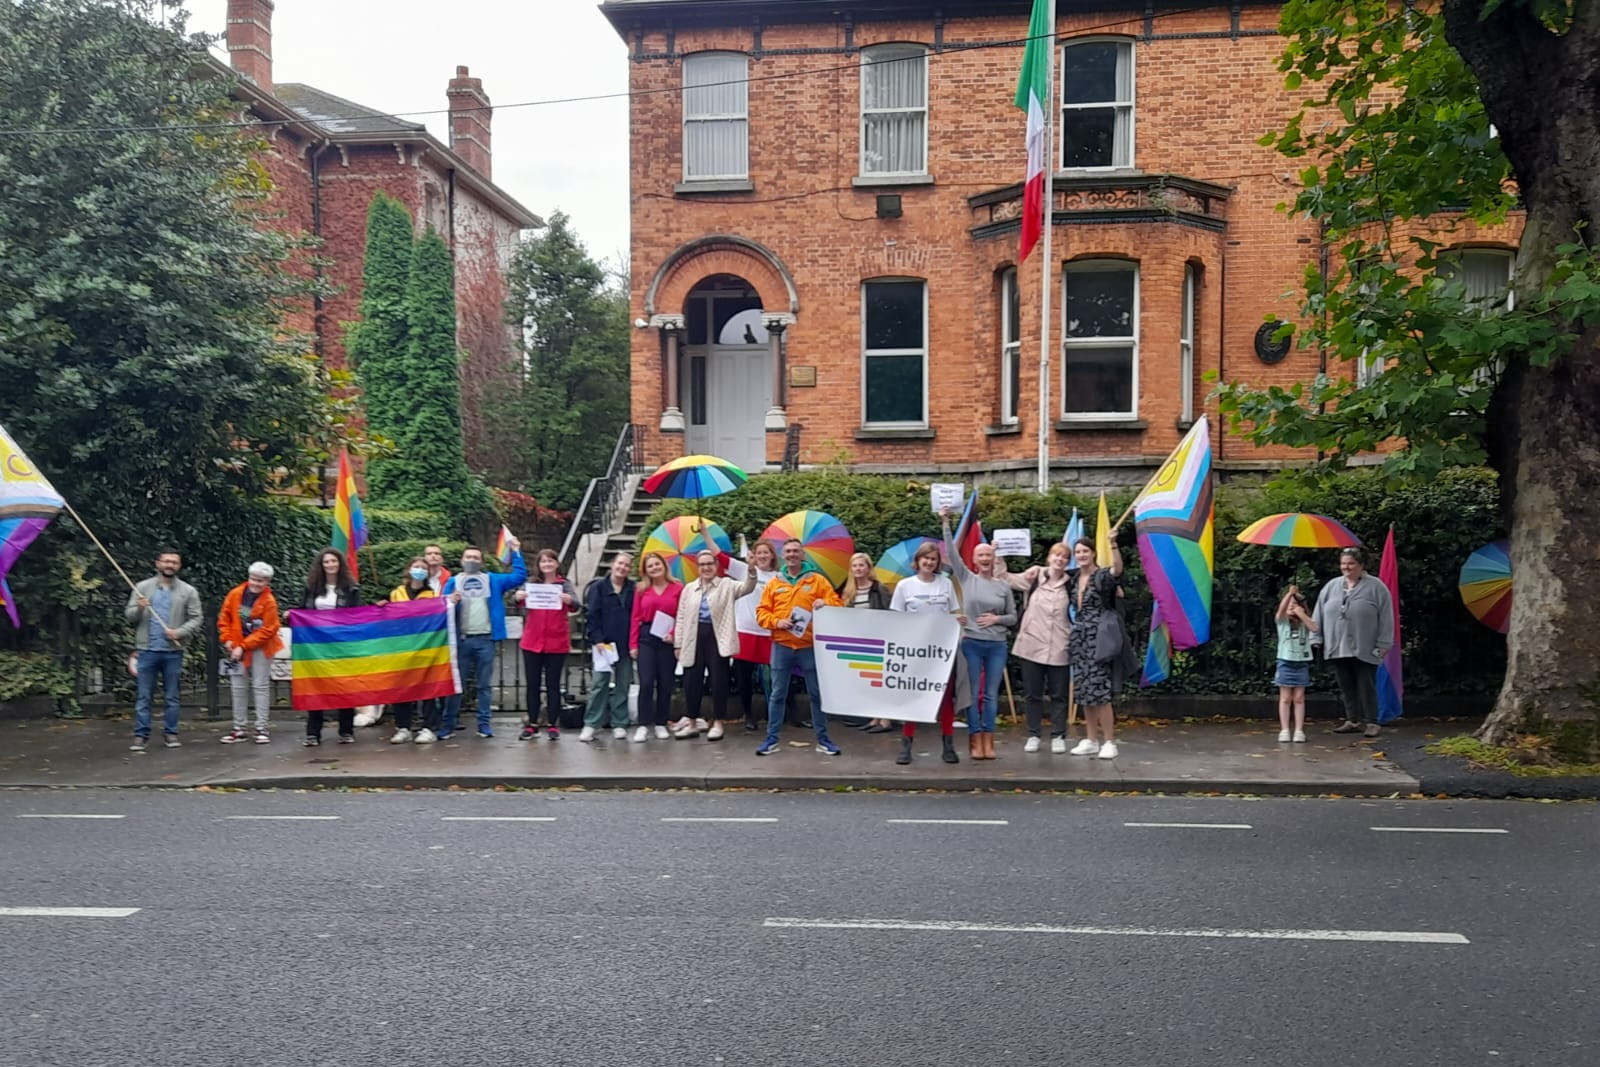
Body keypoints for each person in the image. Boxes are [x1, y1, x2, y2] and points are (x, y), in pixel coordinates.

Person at [755, 538, 843, 756]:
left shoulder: (817, 580)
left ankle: (823, 740)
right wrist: (777, 622)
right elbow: (762, 613)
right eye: (788, 551)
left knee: (816, 694)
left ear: (803, 555)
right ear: (782, 556)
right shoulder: (774, 583)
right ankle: (771, 739)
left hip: (809, 646)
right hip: (782, 645)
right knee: (777, 694)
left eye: (796, 551)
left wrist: (826, 604)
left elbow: (838, 605)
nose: (792, 554)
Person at [941, 511, 1018, 761]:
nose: (985, 558)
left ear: (994, 559)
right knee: (973, 694)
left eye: (988, 555)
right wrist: (945, 522)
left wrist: (997, 619)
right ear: (974, 559)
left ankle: (989, 738)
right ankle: (975, 739)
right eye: (981, 555)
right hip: (972, 643)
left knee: (991, 695)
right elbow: (952, 552)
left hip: (997, 645)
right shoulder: (967, 578)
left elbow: (1013, 617)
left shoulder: (1003, 586)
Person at [442, 540, 527, 739]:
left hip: (485, 639)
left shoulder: (493, 580)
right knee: (456, 685)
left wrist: (516, 552)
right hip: (461, 640)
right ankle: (448, 724)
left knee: (484, 685)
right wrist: (449, 601)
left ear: (482, 562)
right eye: (468, 557)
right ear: (462, 561)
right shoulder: (453, 582)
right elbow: (441, 608)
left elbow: (519, 576)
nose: (472, 560)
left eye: (476, 558)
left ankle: (484, 724)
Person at [888, 541, 962, 765]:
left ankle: (948, 744)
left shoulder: (946, 584)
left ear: (937, 562)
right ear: (918, 561)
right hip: (914, 651)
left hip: (941, 652)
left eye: (933, 559)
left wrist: (959, 622)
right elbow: (896, 618)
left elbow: (955, 612)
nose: (929, 562)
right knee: (913, 697)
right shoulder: (905, 586)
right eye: (925, 558)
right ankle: (907, 745)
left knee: (946, 697)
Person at [124, 548, 203, 751]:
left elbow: (196, 618)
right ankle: (141, 735)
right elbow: (130, 616)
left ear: (179, 566)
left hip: (172, 652)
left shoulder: (188, 591)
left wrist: (179, 632)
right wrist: (140, 607)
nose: (170, 565)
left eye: (174, 562)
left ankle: (171, 733)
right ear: (157, 563)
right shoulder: (142, 587)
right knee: (144, 695)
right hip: (147, 649)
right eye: (166, 561)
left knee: (172, 695)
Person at [1311, 547, 1395, 739]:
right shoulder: (1331, 586)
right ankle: (1352, 720)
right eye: (1343, 563)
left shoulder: (1376, 587)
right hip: (1337, 645)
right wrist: (1316, 637)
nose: (1346, 567)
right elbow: (1319, 612)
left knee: (1367, 685)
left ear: (1361, 565)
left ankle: (1372, 722)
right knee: (1346, 685)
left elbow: (1386, 617)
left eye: (1350, 563)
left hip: (1365, 646)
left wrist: (1384, 643)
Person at [672, 550, 755, 740]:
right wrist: (678, 643)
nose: (706, 568)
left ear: (716, 566)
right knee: (692, 680)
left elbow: (747, 588)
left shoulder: (726, 585)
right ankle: (692, 722)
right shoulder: (689, 588)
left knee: (719, 681)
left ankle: (718, 721)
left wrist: (751, 569)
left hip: (718, 637)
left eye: (710, 563)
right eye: (702, 564)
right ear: (697, 567)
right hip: (693, 637)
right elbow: (681, 616)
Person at [1003, 542, 1073, 754]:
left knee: (1059, 695)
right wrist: (998, 554)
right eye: (1056, 555)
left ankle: (1058, 735)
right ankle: (1033, 734)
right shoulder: (1033, 578)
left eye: (1064, 557)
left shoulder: (1072, 583)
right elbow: (1005, 577)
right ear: (1049, 558)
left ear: (1068, 562)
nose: (1059, 560)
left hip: (1060, 646)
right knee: (1033, 694)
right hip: (1031, 645)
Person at [1067, 535, 1126, 760]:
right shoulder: (1073, 579)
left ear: (1093, 553)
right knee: (1084, 691)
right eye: (1078, 552)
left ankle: (1110, 741)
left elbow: (1117, 569)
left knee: (1100, 691)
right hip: (1079, 637)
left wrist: (1113, 544)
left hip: (1098, 637)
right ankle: (1091, 739)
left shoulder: (1101, 576)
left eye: (1085, 551)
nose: (1081, 555)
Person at [515, 549, 579, 740]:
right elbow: (517, 600)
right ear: (539, 565)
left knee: (553, 685)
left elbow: (576, 604)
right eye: (544, 561)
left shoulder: (564, 585)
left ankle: (553, 724)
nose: (547, 564)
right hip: (532, 641)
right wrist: (518, 596)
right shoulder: (532, 583)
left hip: (555, 641)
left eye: (551, 561)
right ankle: (532, 724)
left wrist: (569, 600)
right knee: (532, 685)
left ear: (556, 564)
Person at [301, 547, 362, 746]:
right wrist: (292, 615)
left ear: (340, 564)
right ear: (321, 565)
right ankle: (313, 733)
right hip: (316, 646)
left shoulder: (351, 588)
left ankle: (346, 730)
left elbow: (357, 615)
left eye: (333, 561)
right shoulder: (311, 587)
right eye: (326, 562)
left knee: (344, 686)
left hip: (341, 645)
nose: (330, 565)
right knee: (315, 686)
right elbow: (303, 610)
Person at [217, 561, 282, 745]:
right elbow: (224, 618)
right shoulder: (235, 594)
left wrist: (243, 646)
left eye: (260, 581)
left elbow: (268, 630)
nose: (256, 583)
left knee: (260, 686)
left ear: (267, 582)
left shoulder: (269, 601)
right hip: (236, 645)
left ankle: (262, 728)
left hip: (261, 647)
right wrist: (227, 639)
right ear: (249, 577)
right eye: (254, 579)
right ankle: (239, 728)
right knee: (237, 686)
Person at [837, 551, 894, 733]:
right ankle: (874, 718)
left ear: (869, 568)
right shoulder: (848, 591)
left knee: (882, 681)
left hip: (879, 639)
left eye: (861, 565)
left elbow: (890, 613)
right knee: (870, 681)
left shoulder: (879, 589)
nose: (858, 569)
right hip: (860, 643)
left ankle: (885, 719)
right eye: (854, 566)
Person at [581, 552, 635, 742]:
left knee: (623, 684)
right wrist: (597, 640)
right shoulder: (598, 587)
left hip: (625, 644)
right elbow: (592, 615)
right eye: (620, 563)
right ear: (613, 564)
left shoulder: (633, 588)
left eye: (627, 565)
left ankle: (619, 723)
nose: (623, 568)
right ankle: (591, 723)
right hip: (603, 644)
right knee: (599, 684)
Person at [388, 556, 443, 744]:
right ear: (409, 570)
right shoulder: (397, 593)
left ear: (428, 573)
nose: (419, 570)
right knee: (402, 688)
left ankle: (428, 728)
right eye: (416, 566)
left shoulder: (432, 595)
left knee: (427, 689)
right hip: (402, 647)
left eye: (423, 567)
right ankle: (403, 727)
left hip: (425, 647)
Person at [630, 551, 683, 742]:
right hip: (646, 637)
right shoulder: (641, 589)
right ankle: (643, 724)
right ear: (645, 570)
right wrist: (633, 644)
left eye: (657, 564)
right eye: (650, 566)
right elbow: (635, 617)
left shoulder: (677, 587)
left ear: (664, 566)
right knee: (645, 682)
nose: (654, 568)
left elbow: (682, 615)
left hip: (667, 639)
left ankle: (661, 723)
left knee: (665, 682)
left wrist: (675, 635)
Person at [732, 539, 780, 731]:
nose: (762, 556)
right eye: (758, 552)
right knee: (744, 679)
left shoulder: (779, 576)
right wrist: (703, 532)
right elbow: (718, 556)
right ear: (753, 555)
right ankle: (748, 715)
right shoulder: (743, 570)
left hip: (769, 632)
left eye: (766, 552)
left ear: (772, 556)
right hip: (745, 630)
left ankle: (777, 714)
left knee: (775, 677)